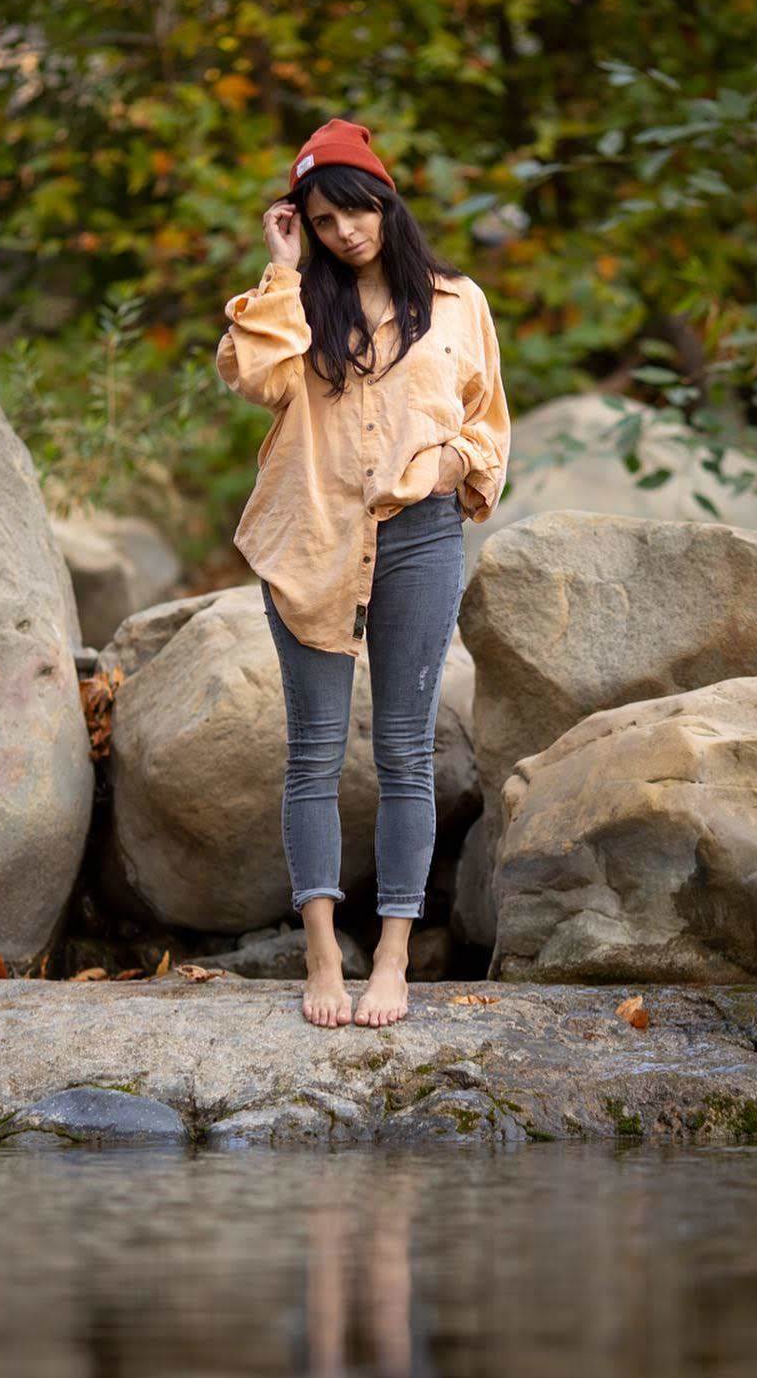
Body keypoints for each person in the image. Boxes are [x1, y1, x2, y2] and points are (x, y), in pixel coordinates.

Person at [215, 118, 511, 1030]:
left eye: (356, 210)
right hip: (313, 534)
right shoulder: (294, 303)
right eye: (322, 219)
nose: (344, 232)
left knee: (404, 753)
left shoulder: (456, 302)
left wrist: (451, 464)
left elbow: (486, 421)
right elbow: (256, 380)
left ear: (385, 200)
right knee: (312, 752)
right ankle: (319, 955)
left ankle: (390, 959)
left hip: (421, 537)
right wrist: (281, 268)